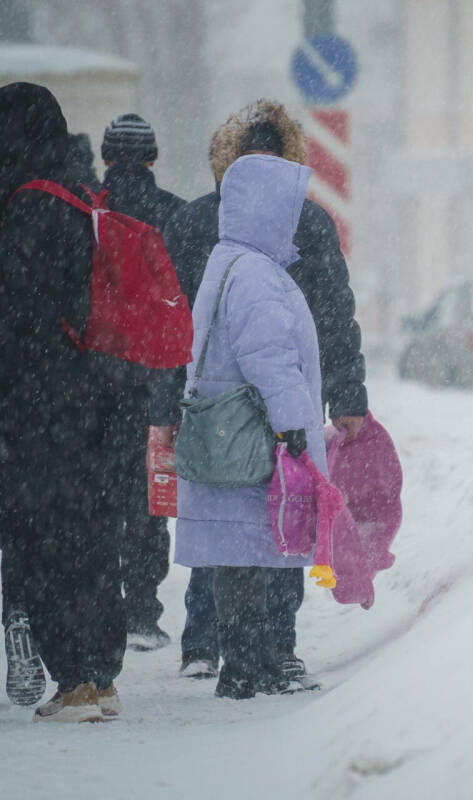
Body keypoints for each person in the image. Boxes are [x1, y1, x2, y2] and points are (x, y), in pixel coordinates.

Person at [156, 99, 367, 682]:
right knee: (257, 534)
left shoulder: (243, 243)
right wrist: (297, 424)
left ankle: (252, 650)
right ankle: (242, 655)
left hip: (226, 415)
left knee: (251, 532)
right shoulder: (246, 257)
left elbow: (333, 318)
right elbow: (267, 353)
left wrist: (348, 395)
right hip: (257, 419)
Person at [175, 152, 325, 699]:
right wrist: (293, 426)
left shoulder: (229, 260)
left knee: (240, 558)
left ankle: (244, 662)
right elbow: (269, 358)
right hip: (254, 439)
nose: (294, 219)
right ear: (265, 209)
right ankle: (247, 666)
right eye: (288, 207)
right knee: (250, 560)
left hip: (229, 435)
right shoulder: (257, 275)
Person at [0, 82, 127, 721]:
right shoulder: (84, 197)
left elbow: (18, 316)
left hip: (38, 401)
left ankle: (73, 679)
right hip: (96, 393)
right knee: (91, 534)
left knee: (44, 536)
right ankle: (101, 677)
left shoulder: (25, 206)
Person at [99, 112, 186, 651]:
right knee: (150, 498)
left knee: (97, 494)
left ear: (107, 157)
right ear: (153, 158)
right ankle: (141, 611)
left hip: (96, 379)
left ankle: (102, 602)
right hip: (159, 378)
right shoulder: (175, 216)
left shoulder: (86, 209)